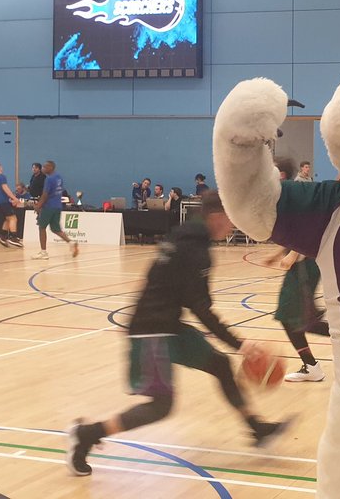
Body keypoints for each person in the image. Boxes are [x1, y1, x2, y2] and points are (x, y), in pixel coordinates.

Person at [66, 191, 288, 476]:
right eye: (231, 220)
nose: (233, 226)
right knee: (161, 407)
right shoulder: (196, 250)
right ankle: (86, 434)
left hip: (167, 324)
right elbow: (202, 309)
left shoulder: (182, 236)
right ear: (216, 217)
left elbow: (157, 281)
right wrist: (241, 344)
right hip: (152, 331)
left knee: (220, 364)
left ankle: (256, 428)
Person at [264, 248, 329, 382]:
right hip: (300, 264)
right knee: (293, 319)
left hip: (303, 264)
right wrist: (277, 254)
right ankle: (311, 365)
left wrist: (293, 253)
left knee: (294, 318)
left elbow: (306, 234)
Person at [32, 161, 78, 260]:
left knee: (41, 227)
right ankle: (71, 242)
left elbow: (45, 195)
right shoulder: (59, 177)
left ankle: (43, 252)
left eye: (45, 167)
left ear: (50, 167)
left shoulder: (49, 179)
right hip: (58, 206)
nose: (43, 168)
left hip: (48, 207)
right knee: (56, 229)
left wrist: (38, 206)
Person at [0, 161, 23, 248]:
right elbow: (5, 188)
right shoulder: (1, 176)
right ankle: (13, 238)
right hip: (3, 201)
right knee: (13, 218)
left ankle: (2, 236)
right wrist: (14, 198)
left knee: (7, 219)